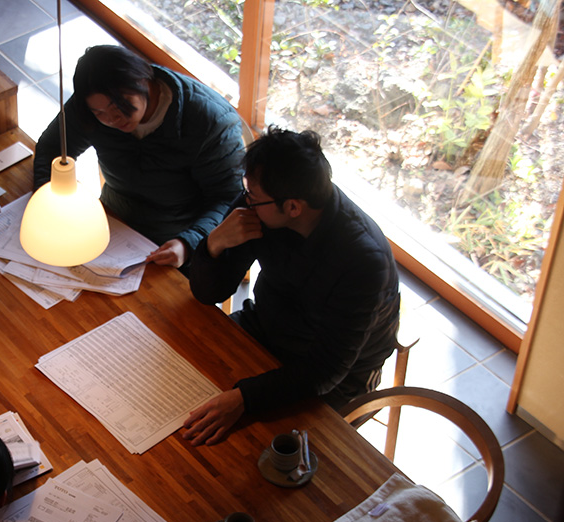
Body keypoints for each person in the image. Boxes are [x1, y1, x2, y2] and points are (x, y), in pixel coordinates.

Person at [183, 127, 400, 446]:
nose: (245, 200)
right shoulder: (261, 203)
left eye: (253, 197)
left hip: (338, 375)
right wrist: (214, 243)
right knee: (188, 392)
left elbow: (326, 370)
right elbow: (209, 293)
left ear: (294, 208)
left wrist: (244, 398)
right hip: (266, 329)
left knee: (262, 452)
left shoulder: (363, 260)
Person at [33, 44, 245, 269]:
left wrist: (187, 243)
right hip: (113, 220)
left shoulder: (209, 120)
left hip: (177, 238)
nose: (113, 119)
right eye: (100, 113)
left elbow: (227, 197)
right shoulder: (92, 103)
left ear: (143, 81)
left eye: (119, 106)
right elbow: (53, 146)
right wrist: (51, 201)